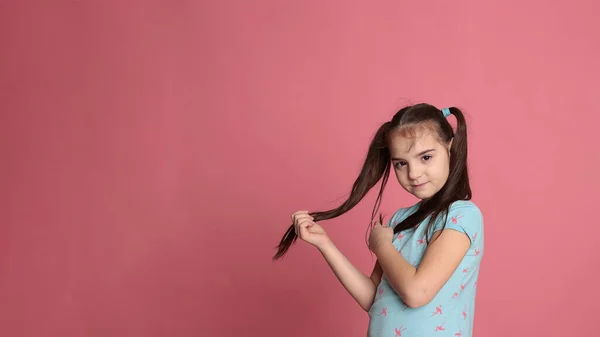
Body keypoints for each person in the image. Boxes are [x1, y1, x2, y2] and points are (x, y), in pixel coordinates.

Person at [273, 103, 484, 337]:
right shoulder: (401, 219)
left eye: (425, 157)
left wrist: (381, 245)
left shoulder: (461, 215)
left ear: (450, 149)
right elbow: (373, 297)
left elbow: (417, 293)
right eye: (401, 163)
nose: (413, 173)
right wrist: (325, 244)